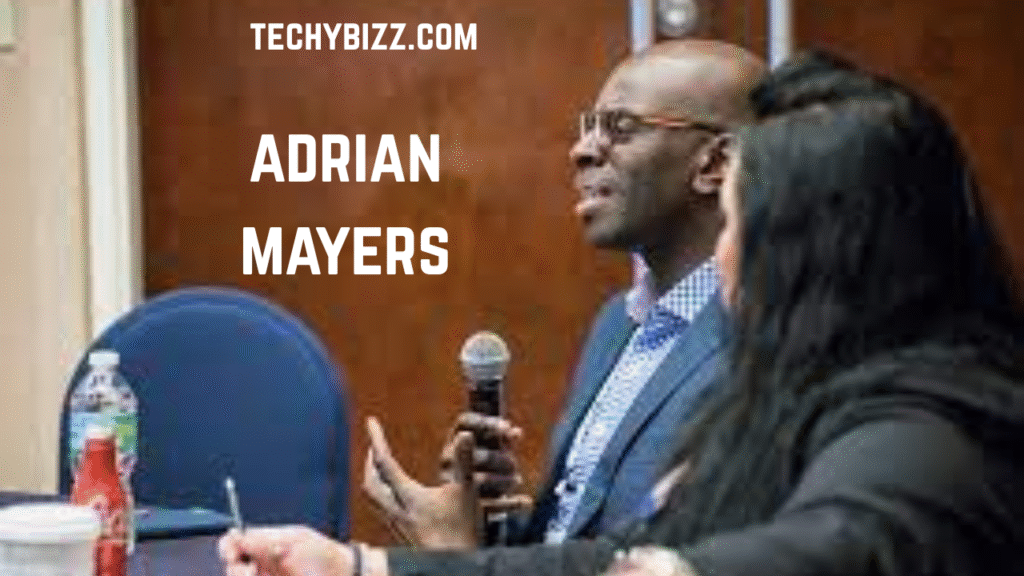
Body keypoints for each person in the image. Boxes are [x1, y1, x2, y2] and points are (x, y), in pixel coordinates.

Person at [219, 50, 1024, 576]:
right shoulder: (742, 385)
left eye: (743, 225)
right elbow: (610, 553)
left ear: (819, 249)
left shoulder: (930, 424)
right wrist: (366, 566)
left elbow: (844, 543)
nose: (727, 257)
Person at [363, 38, 766, 548]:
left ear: (714, 163)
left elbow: (668, 559)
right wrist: (486, 529)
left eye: (620, 127)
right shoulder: (616, 325)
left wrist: (456, 562)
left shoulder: (760, 343)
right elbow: (568, 547)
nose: (582, 151)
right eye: (589, 127)